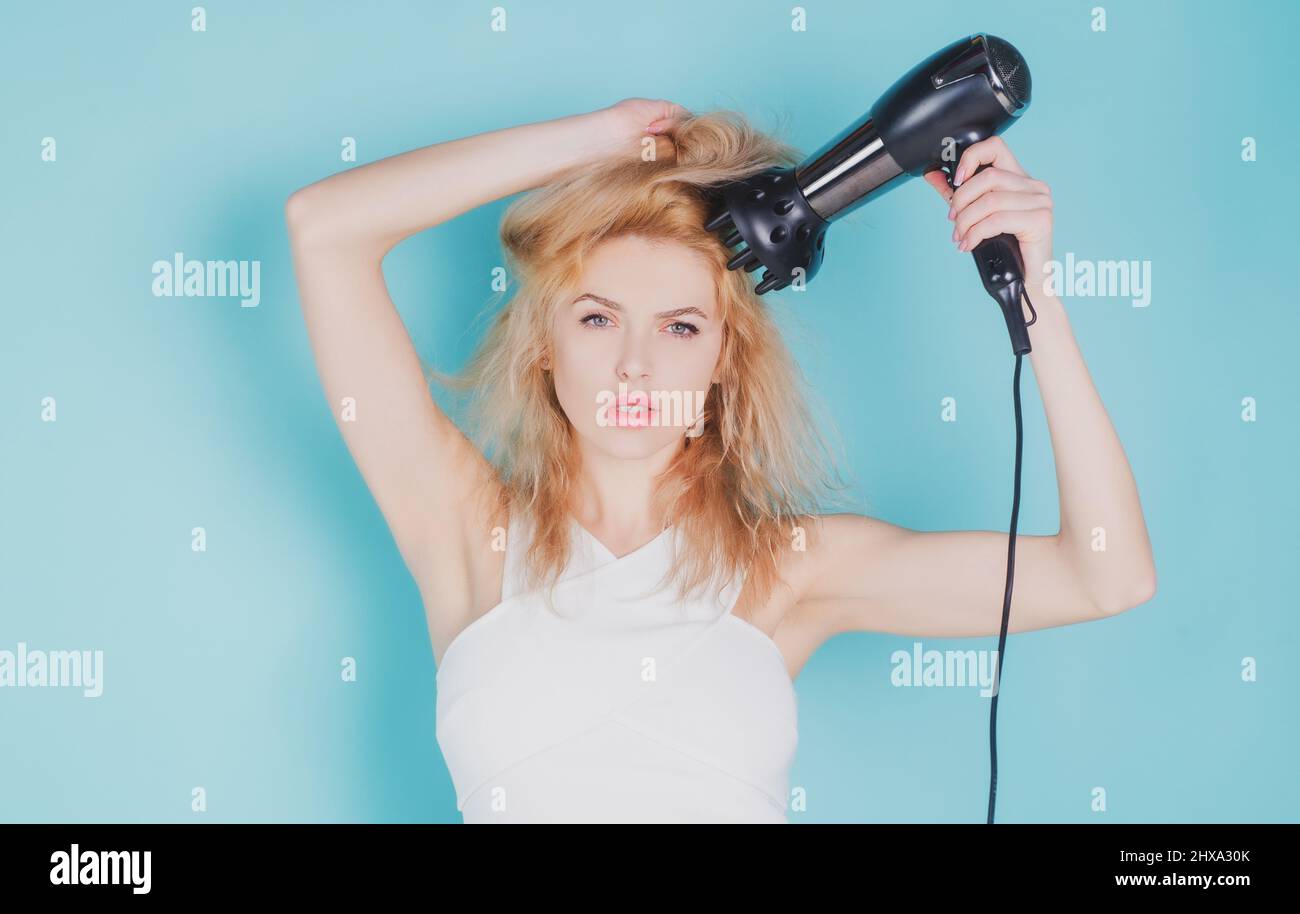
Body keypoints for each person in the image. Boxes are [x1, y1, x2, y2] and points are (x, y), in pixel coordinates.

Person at [285, 98, 1156, 823]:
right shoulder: (470, 535)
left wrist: (1036, 294)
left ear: (723, 359)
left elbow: (1105, 575)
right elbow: (323, 229)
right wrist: (596, 143)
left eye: (680, 327)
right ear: (545, 344)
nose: (635, 364)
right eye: (597, 318)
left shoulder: (790, 570)